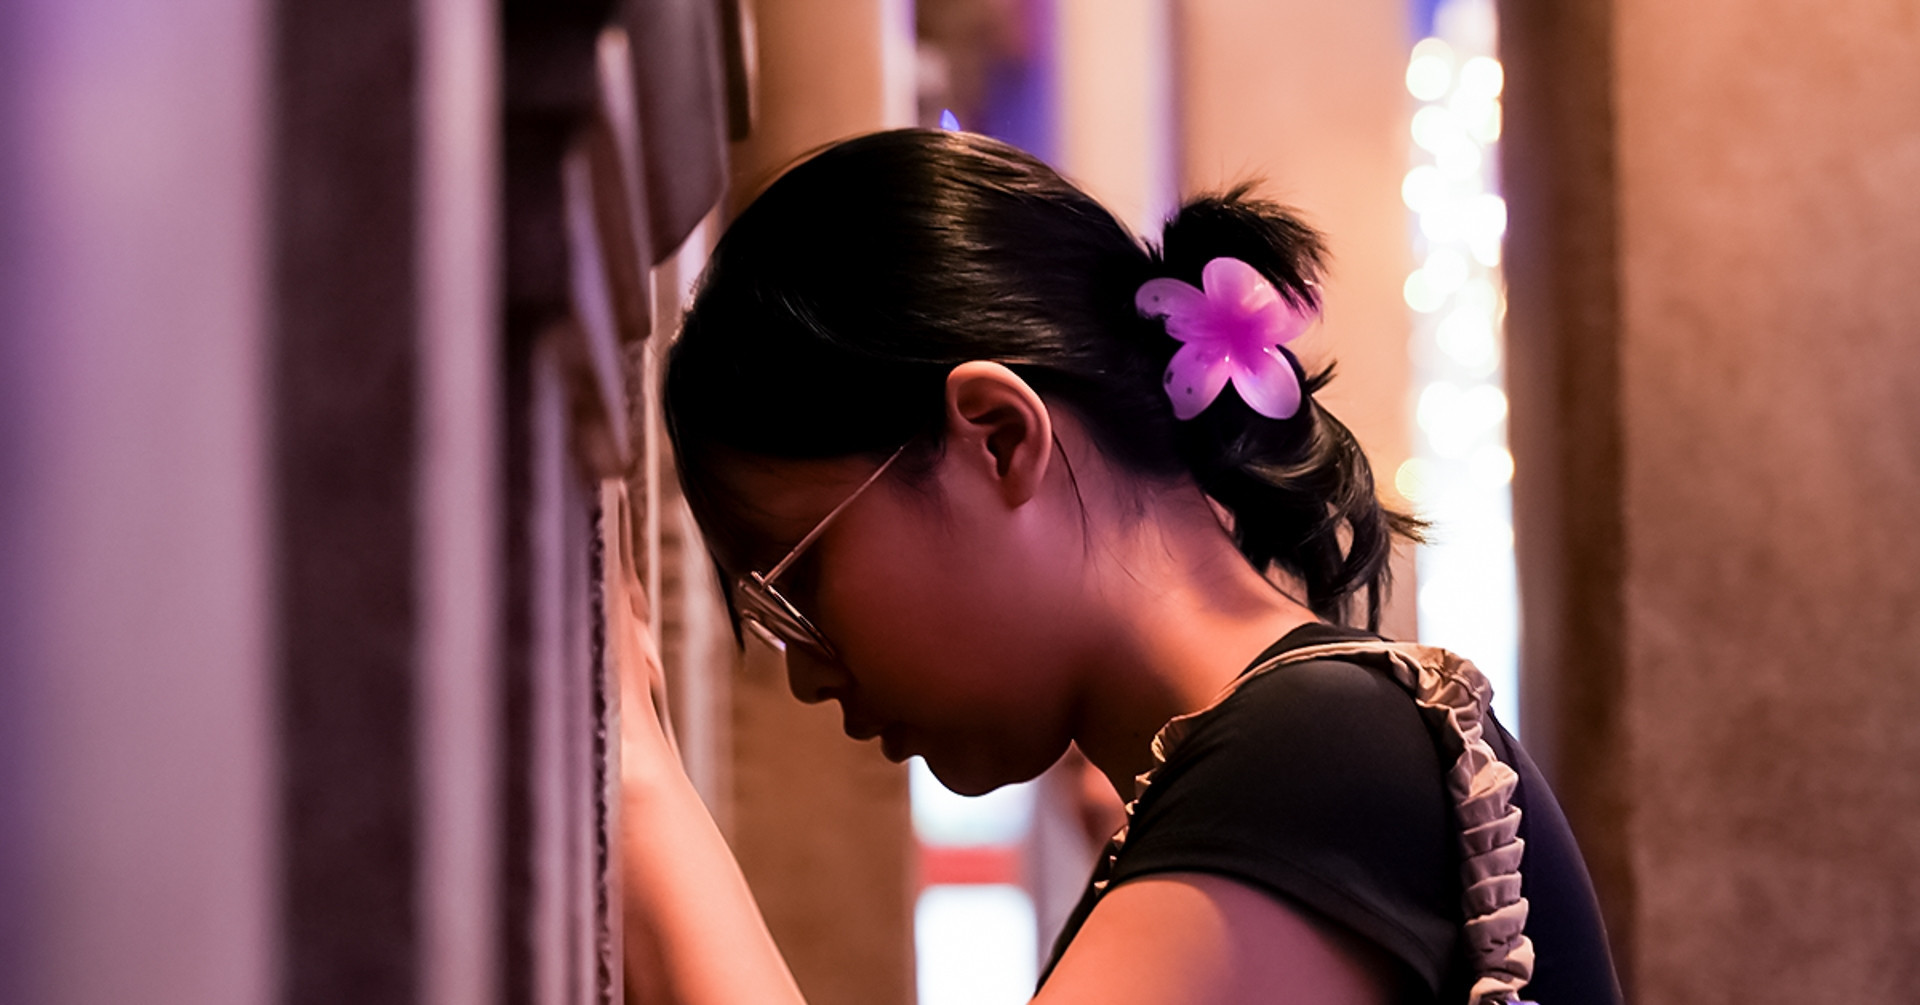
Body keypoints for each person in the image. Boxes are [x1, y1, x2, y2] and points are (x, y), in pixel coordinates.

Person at [619, 127, 1622, 1004]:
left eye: (792, 580)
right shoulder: (1288, 751)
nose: (804, 671)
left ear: (999, 439)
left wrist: (640, 792)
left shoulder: (1320, 752)